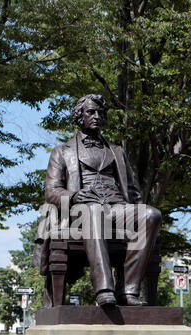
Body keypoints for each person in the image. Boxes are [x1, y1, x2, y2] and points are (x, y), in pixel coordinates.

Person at [38, 94, 161, 306]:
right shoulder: (62, 152)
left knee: (151, 215)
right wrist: (75, 196)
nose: (96, 116)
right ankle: (104, 289)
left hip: (117, 208)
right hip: (80, 212)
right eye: (91, 112)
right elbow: (51, 191)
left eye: (100, 113)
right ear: (79, 116)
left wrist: (136, 207)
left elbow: (133, 191)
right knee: (92, 210)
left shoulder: (117, 152)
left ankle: (128, 291)